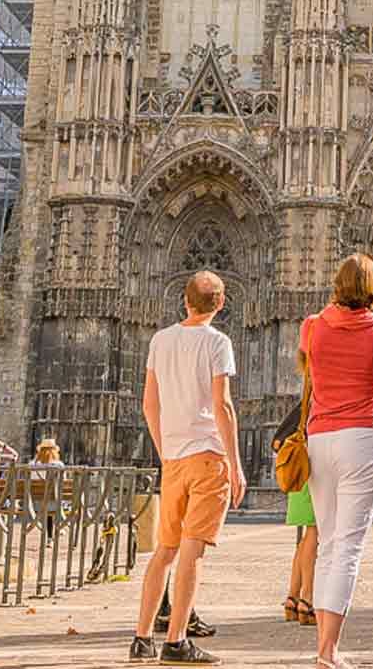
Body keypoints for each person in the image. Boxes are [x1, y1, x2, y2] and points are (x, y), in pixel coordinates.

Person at [302, 253, 373, 669]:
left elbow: (308, 359)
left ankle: (322, 645)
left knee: (329, 546)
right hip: (362, 440)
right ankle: (329, 651)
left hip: (320, 439)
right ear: (372, 290)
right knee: (347, 547)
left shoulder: (312, 327)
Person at [131, 269, 245, 664]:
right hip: (208, 456)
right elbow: (222, 405)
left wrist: (165, 451)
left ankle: (141, 637)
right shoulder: (218, 342)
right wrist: (235, 462)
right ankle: (176, 640)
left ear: (185, 301)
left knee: (164, 551)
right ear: (221, 303)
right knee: (192, 553)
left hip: (175, 458)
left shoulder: (160, 340)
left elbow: (149, 404)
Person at [275, 349, 318, 629]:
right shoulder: (320, 397)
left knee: (305, 540)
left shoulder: (304, 398)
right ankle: (308, 599)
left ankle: (292, 597)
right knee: (315, 536)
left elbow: (279, 439)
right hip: (314, 471)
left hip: (299, 472)